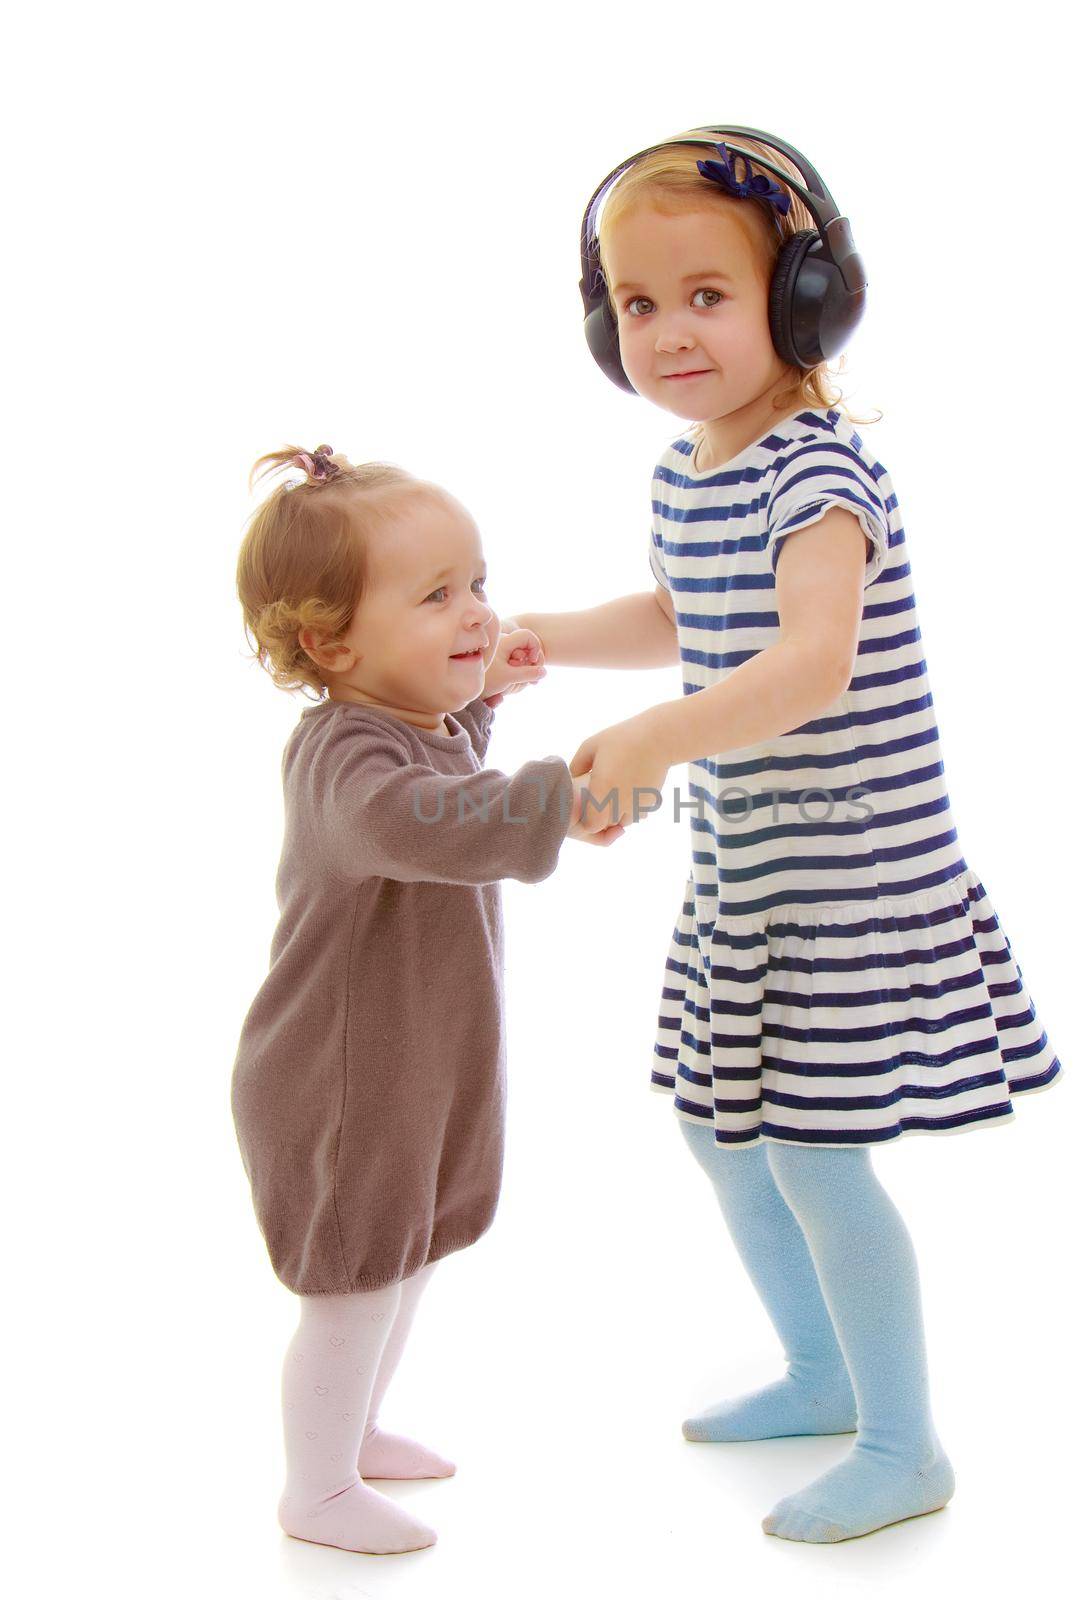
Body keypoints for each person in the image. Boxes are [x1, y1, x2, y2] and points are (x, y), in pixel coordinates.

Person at [504, 129, 1063, 1544]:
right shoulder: (693, 471)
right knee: (716, 1130)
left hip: (852, 882)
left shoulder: (818, 478)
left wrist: (649, 746)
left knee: (816, 1156)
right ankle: (820, 1370)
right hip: (752, 875)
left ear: (805, 301)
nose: (667, 330)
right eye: (636, 303)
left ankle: (904, 1442)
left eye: (708, 294)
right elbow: (688, 620)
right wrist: (539, 642)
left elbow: (809, 665)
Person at [230, 445, 620, 1555]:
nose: (475, 613)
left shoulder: (403, 729)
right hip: (336, 1081)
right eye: (437, 595)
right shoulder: (340, 761)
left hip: (411, 1065)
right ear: (330, 643)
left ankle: (349, 1432)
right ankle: (314, 1487)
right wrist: (558, 801)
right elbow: (417, 820)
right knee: (355, 1280)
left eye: (479, 583)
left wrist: (484, 700)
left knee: (404, 1260)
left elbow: (439, 771)